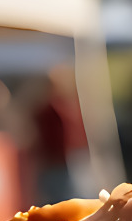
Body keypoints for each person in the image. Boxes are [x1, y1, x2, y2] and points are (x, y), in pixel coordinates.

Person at [32, 67, 90, 204]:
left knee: (71, 195)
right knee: (60, 198)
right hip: (55, 161)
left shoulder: (68, 105)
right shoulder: (48, 108)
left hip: (70, 159)